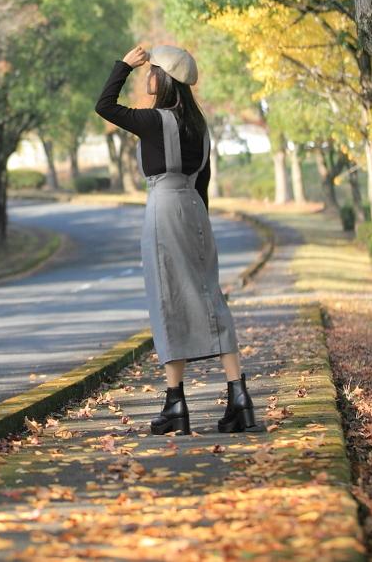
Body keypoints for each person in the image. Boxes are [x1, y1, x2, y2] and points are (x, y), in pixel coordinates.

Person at [94, 43, 257, 435]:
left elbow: (104, 105)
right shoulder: (200, 128)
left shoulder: (153, 121)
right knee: (210, 297)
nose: (147, 75)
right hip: (195, 211)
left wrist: (123, 66)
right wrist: (200, 225)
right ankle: (239, 397)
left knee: (167, 301)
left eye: (151, 70)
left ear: (162, 78)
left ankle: (176, 403)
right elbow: (204, 183)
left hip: (164, 209)